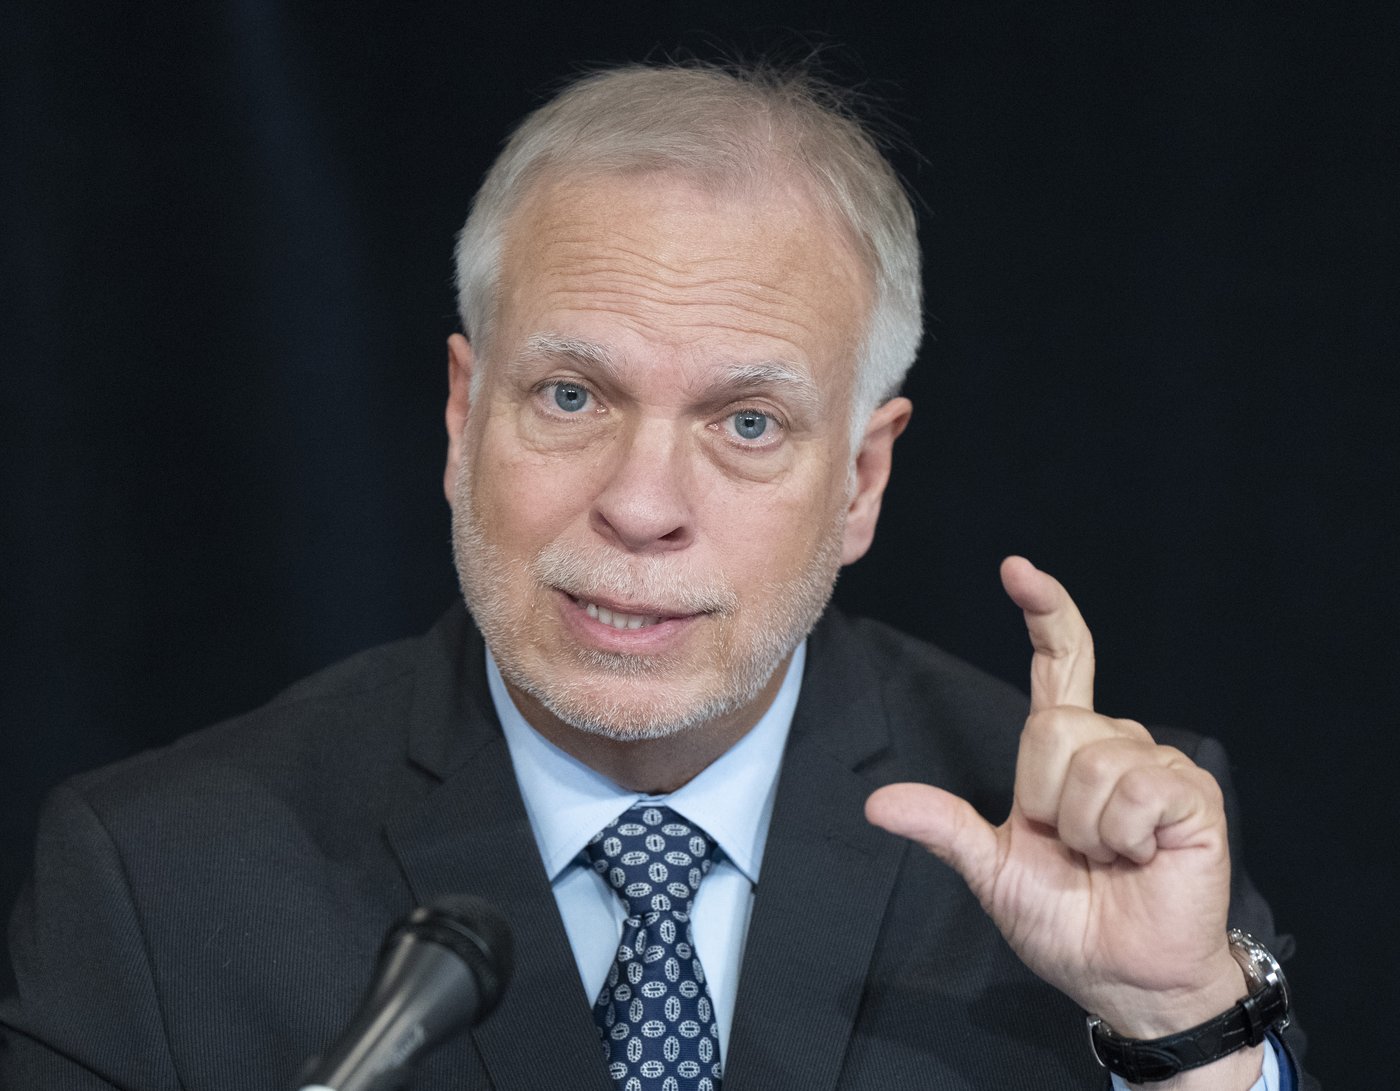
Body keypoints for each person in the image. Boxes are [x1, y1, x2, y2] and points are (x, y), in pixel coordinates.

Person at [0, 63, 1312, 1091]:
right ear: (463, 416)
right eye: (572, 395)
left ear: (861, 480)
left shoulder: (1092, 856)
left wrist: (1177, 1029)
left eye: (747, 423)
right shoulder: (155, 880)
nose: (639, 506)